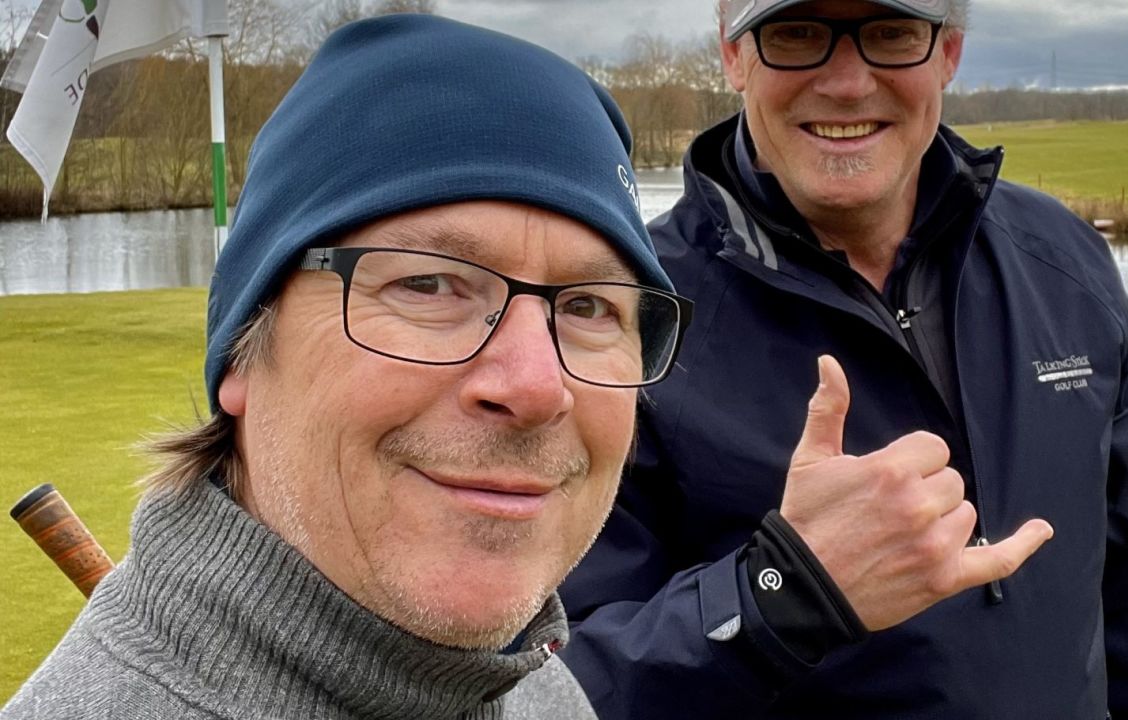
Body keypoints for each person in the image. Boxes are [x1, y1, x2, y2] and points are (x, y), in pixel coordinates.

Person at [1, 15, 692, 720]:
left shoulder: (539, 688)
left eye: (587, 306)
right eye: (427, 284)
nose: (538, 386)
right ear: (246, 343)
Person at [560, 0, 1128, 718]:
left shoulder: (1068, 265)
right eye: (798, 33)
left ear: (948, 51)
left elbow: (1127, 598)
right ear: (733, 55)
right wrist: (780, 594)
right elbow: (562, 688)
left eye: (891, 33)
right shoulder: (628, 316)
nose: (848, 83)